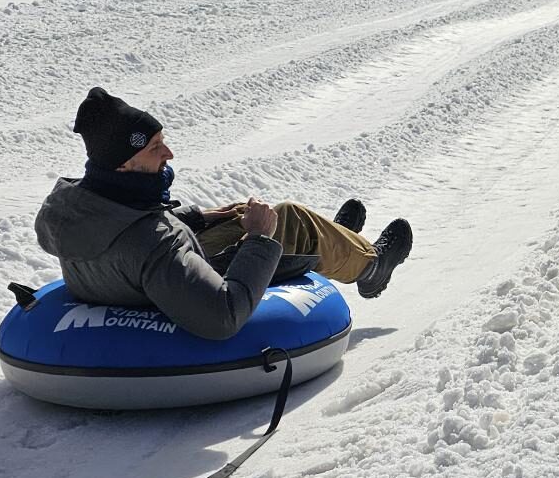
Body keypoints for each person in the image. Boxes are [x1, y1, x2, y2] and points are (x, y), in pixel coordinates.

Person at [35, 87, 414, 340]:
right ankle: (369, 268)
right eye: (155, 148)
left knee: (241, 216)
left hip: (136, 279)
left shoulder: (70, 203)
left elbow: (129, 227)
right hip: (171, 288)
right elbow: (222, 317)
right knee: (287, 217)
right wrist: (259, 239)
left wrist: (197, 218)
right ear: (124, 165)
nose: (168, 155)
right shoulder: (152, 244)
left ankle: (331, 239)